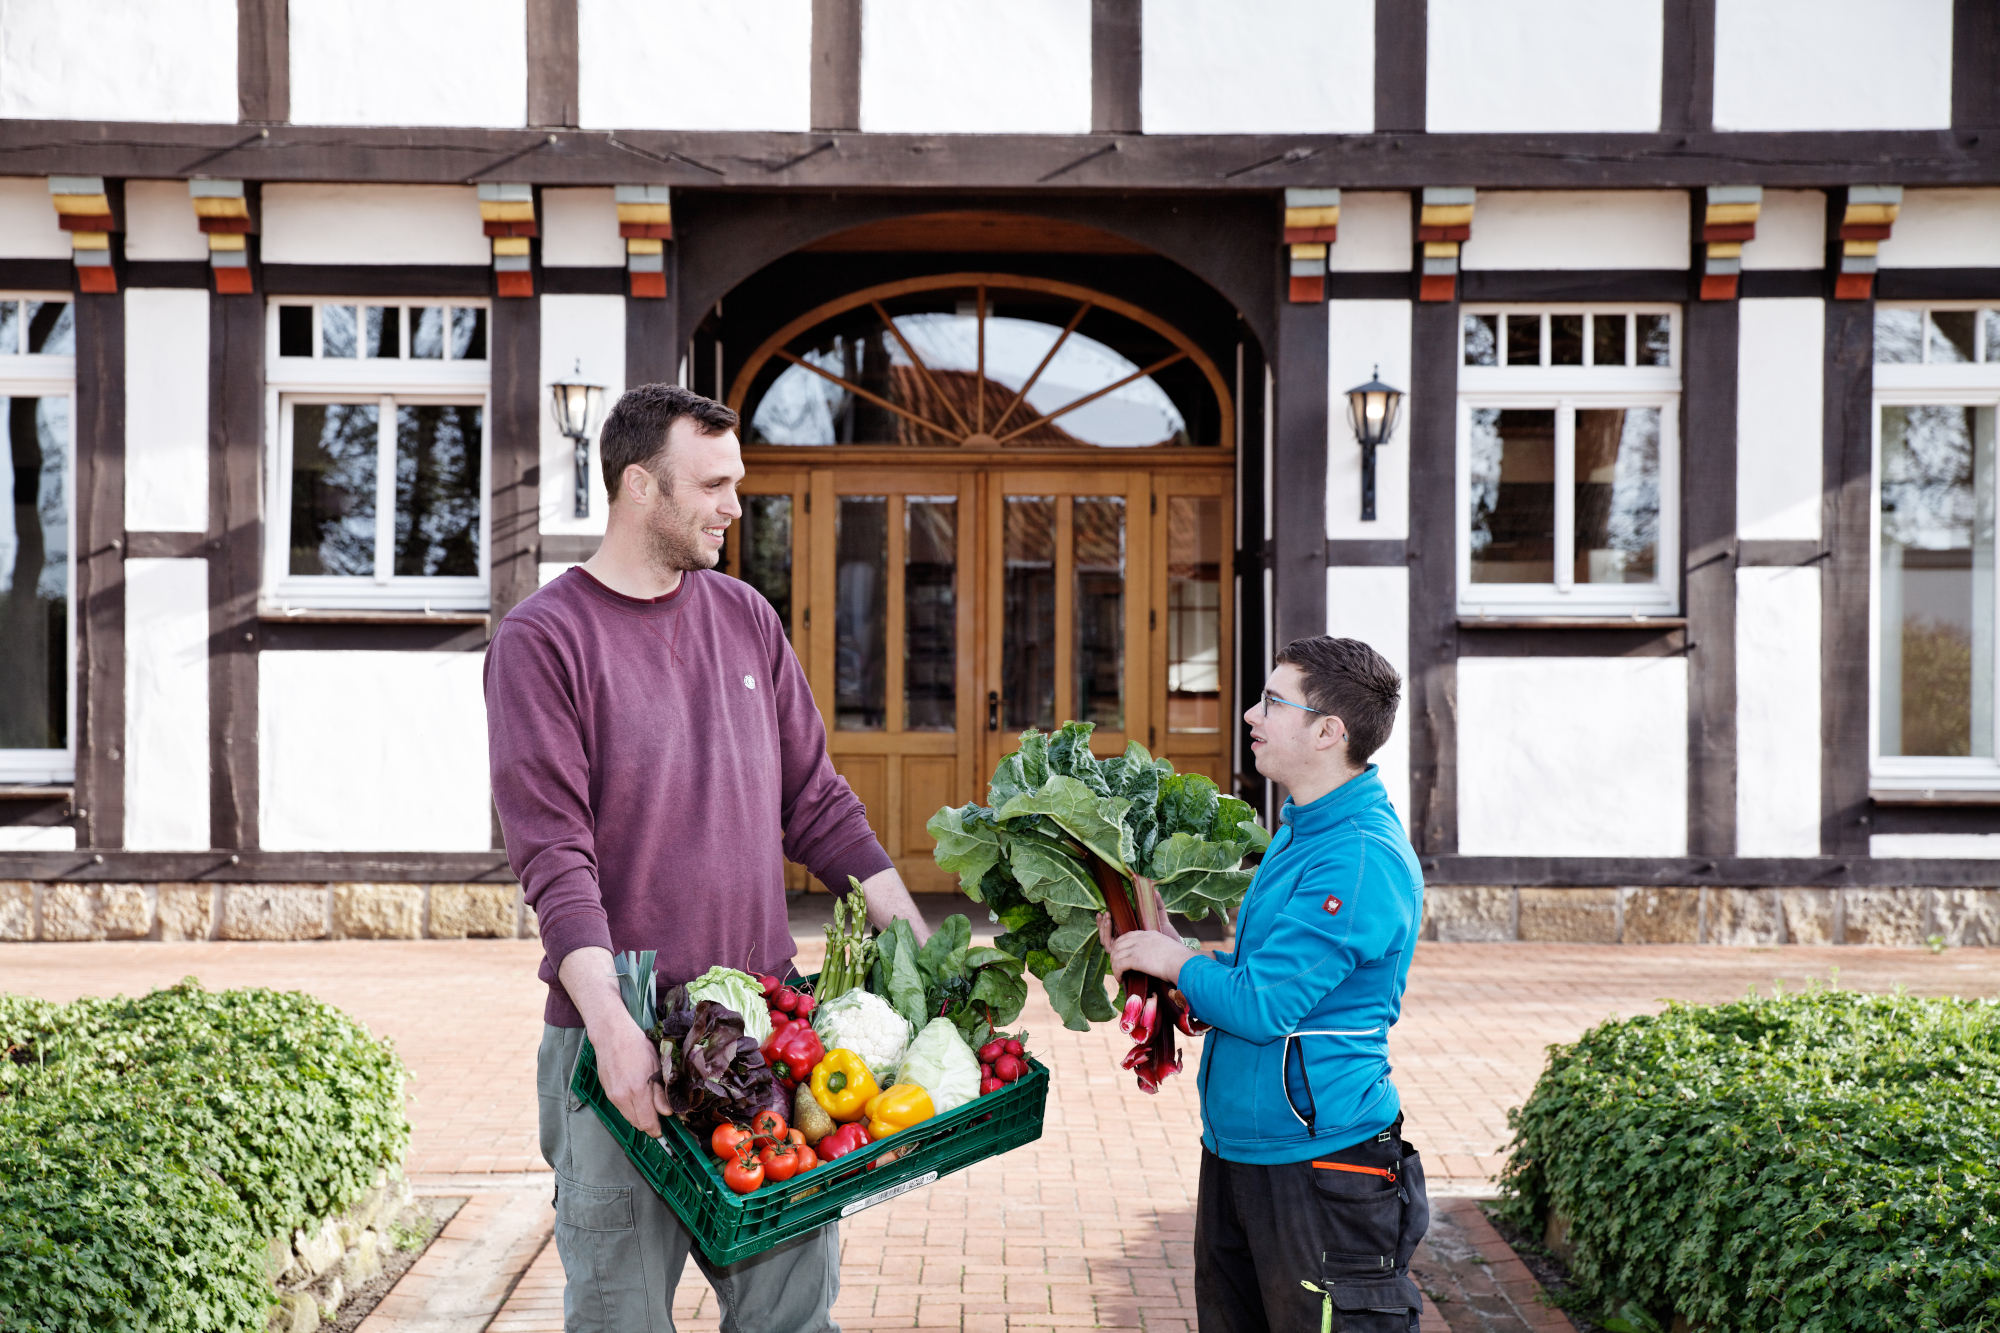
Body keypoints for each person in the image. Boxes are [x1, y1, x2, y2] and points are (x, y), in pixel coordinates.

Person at [486, 383, 932, 1333]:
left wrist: (915, 940)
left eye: (739, 483)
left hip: (764, 1047)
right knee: (622, 1319)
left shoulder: (746, 618)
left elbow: (815, 800)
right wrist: (611, 1030)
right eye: (714, 485)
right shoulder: (544, 639)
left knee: (792, 1318)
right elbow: (555, 857)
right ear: (639, 485)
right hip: (623, 1047)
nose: (736, 506)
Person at [1107, 636, 1428, 1333]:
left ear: (1328, 731)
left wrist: (1173, 961)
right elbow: (1261, 979)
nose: (1251, 714)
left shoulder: (1358, 857)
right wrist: (1179, 965)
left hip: (1322, 1167)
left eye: (1272, 702)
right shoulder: (1301, 830)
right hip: (1242, 1151)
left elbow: (1264, 1005)